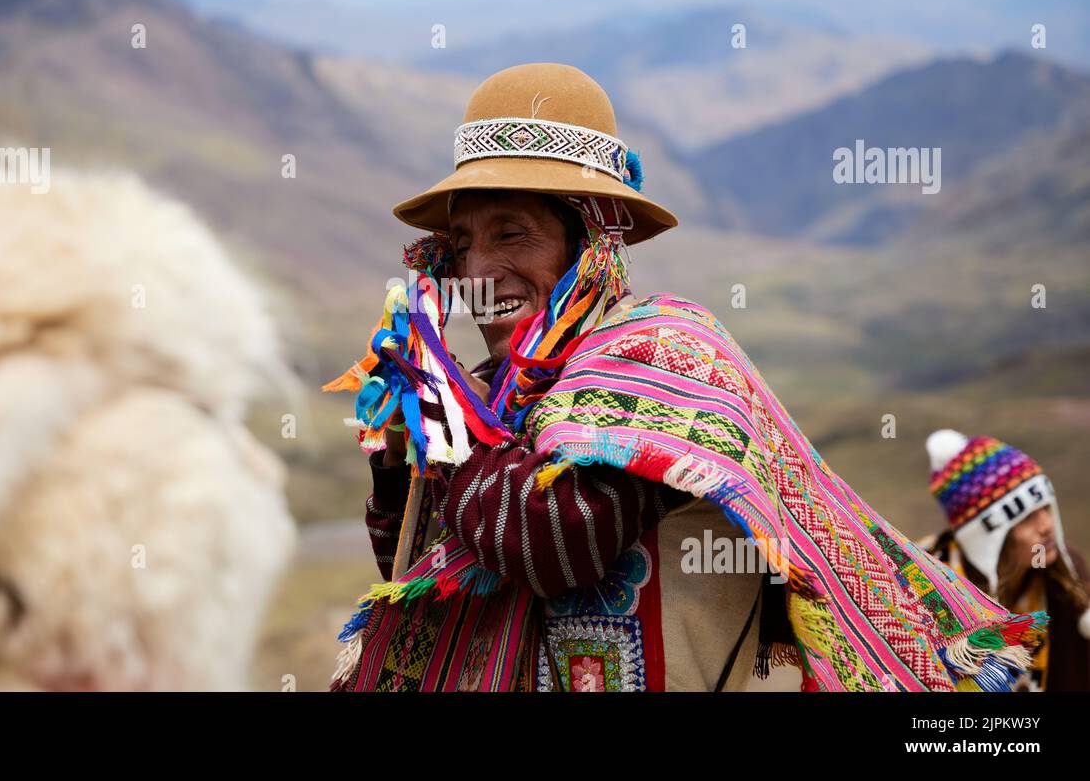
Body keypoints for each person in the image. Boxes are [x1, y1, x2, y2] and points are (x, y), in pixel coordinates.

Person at [326, 62, 1043, 692]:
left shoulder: (663, 355)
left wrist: (446, 423)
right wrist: (399, 462)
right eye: (460, 245)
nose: (478, 272)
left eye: (512, 233)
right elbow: (425, 570)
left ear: (591, 241)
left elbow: (556, 542)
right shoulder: (489, 393)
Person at [924, 429, 1090, 691]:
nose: (1046, 525)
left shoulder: (1067, 576)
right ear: (986, 538)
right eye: (1025, 517)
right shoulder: (929, 590)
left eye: (1045, 506)